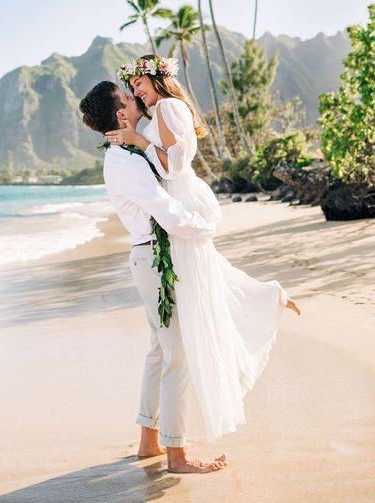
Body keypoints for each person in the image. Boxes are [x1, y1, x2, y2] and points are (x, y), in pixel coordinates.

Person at [104, 54, 301, 444]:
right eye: (131, 89)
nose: (135, 91)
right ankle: (270, 295)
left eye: (138, 83)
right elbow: (139, 144)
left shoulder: (169, 107)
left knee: (196, 299)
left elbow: (174, 165)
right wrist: (131, 135)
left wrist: (136, 140)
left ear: (159, 79)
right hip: (173, 217)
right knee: (201, 289)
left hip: (181, 205)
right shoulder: (154, 113)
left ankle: (269, 297)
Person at [79, 80, 228, 474]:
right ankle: (177, 455)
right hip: (154, 260)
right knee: (175, 355)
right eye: (129, 97)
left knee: (160, 351)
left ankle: (149, 443)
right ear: (121, 115)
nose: (137, 96)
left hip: (148, 259)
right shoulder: (125, 163)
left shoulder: (126, 152)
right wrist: (206, 225)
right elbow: (165, 211)